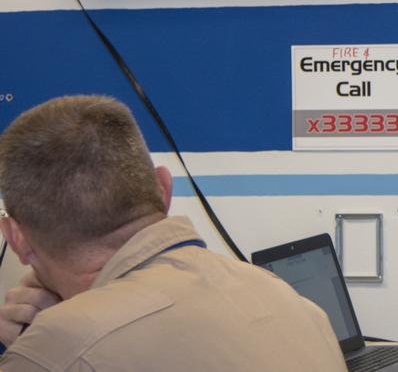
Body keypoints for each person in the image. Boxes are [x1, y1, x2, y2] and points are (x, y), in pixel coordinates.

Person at [0, 95, 346, 371]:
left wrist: (39, 350)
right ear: (164, 189)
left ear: (15, 236)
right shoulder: (287, 299)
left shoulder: (58, 349)